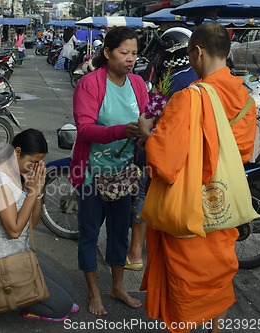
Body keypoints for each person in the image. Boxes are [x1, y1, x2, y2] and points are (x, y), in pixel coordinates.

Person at [138, 22, 256, 333]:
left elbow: (164, 161)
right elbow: (241, 152)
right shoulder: (244, 97)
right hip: (223, 204)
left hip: (190, 208)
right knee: (217, 273)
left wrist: (148, 133)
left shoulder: (189, 98)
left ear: (198, 52)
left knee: (187, 281)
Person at [70, 26, 149, 315]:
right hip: (92, 174)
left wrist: (146, 131)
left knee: (119, 235)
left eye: (135, 53)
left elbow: (145, 118)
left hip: (125, 175)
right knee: (89, 234)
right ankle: (93, 292)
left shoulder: (138, 84)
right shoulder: (90, 84)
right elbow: (85, 128)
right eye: (124, 52)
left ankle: (118, 287)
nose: (130, 59)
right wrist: (120, 131)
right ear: (107, 53)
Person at [0, 129, 79, 322]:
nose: (35, 167)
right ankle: (17, 301)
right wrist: (32, 193)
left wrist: (38, 192)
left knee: (70, 295)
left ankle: (27, 299)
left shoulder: (19, 174)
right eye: (33, 161)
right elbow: (14, 230)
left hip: (22, 255)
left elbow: (32, 224)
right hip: (3, 263)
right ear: (17, 152)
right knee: (62, 307)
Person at [126, 27, 199, 271]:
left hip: (165, 150)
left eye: (160, 52)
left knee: (143, 194)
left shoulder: (177, 81)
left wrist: (146, 132)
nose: (155, 57)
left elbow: (159, 120)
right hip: (188, 152)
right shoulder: (190, 75)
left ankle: (135, 253)